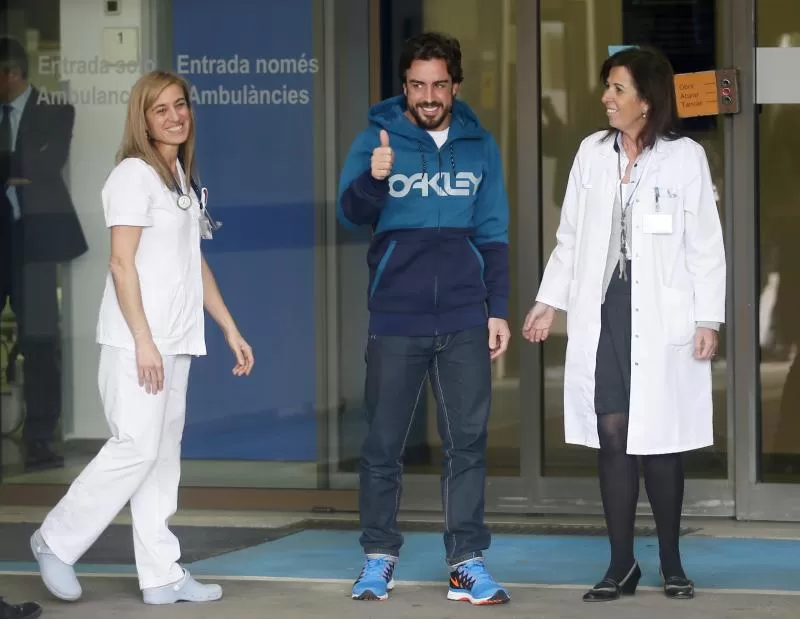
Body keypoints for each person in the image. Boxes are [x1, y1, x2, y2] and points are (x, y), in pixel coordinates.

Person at [29, 70, 254, 605]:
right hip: (139, 342)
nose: (176, 116)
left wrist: (229, 327)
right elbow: (121, 264)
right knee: (135, 447)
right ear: (142, 119)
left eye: (181, 105)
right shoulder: (133, 175)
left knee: (162, 457)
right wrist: (145, 341)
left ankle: (162, 575)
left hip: (178, 340)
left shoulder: (178, 174)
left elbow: (193, 263)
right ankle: (55, 540)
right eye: (161, 110)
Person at [522, 47, 725, 602]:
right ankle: (620, 565)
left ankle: (673, 562)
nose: (606, 99)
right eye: (608, 88)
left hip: (662, 313)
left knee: (661, 441)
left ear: (647, 100)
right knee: (613, 434)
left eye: (617, 89)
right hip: (605, 307)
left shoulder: (685, 158)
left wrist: (709, 317)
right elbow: (570, 237)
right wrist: (548, 301)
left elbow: (706, 244)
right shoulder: (591, 153)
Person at [337, 31, 511, 605]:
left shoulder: (480, 145)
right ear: (405, 86)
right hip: (395, 315)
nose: (429, 95)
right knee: (383, 445)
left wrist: (499, 310)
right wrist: (376, 176)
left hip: (464, 315)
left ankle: (466, 561)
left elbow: (492, 234)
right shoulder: (376, 139)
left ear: (455, 86)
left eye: (439, 84)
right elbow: (350, 212)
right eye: (418, 84)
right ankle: (378, 557)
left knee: (468, 442)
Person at [0, 36, 88, 471]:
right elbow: (29, 165)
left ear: (11, 74)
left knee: (38, 342)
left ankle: (38, 438)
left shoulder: (57, 111)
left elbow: (49, 166)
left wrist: (16, 167)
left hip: (34, 243)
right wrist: (19, 168)